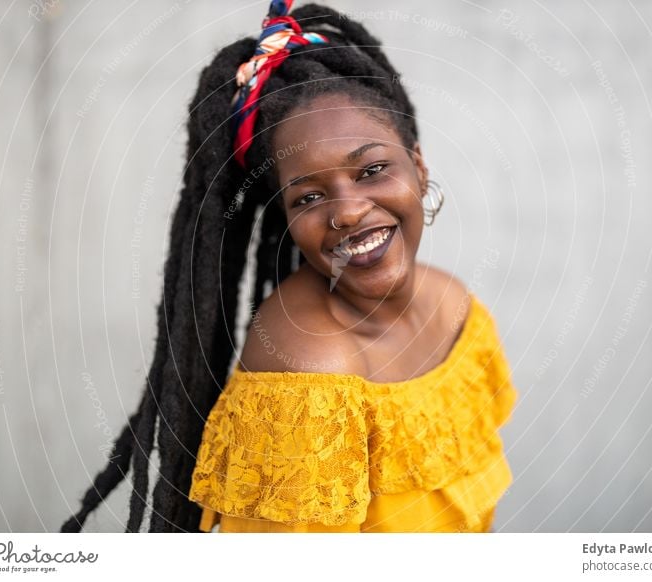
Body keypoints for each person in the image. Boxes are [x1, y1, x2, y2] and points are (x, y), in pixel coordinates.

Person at [61, 0, 518, 533]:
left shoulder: (459, 312)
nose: (347, 211)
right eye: (308, 197)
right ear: (284, 215)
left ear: (417, 165)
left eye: (372, 169)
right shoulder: (308, 373)